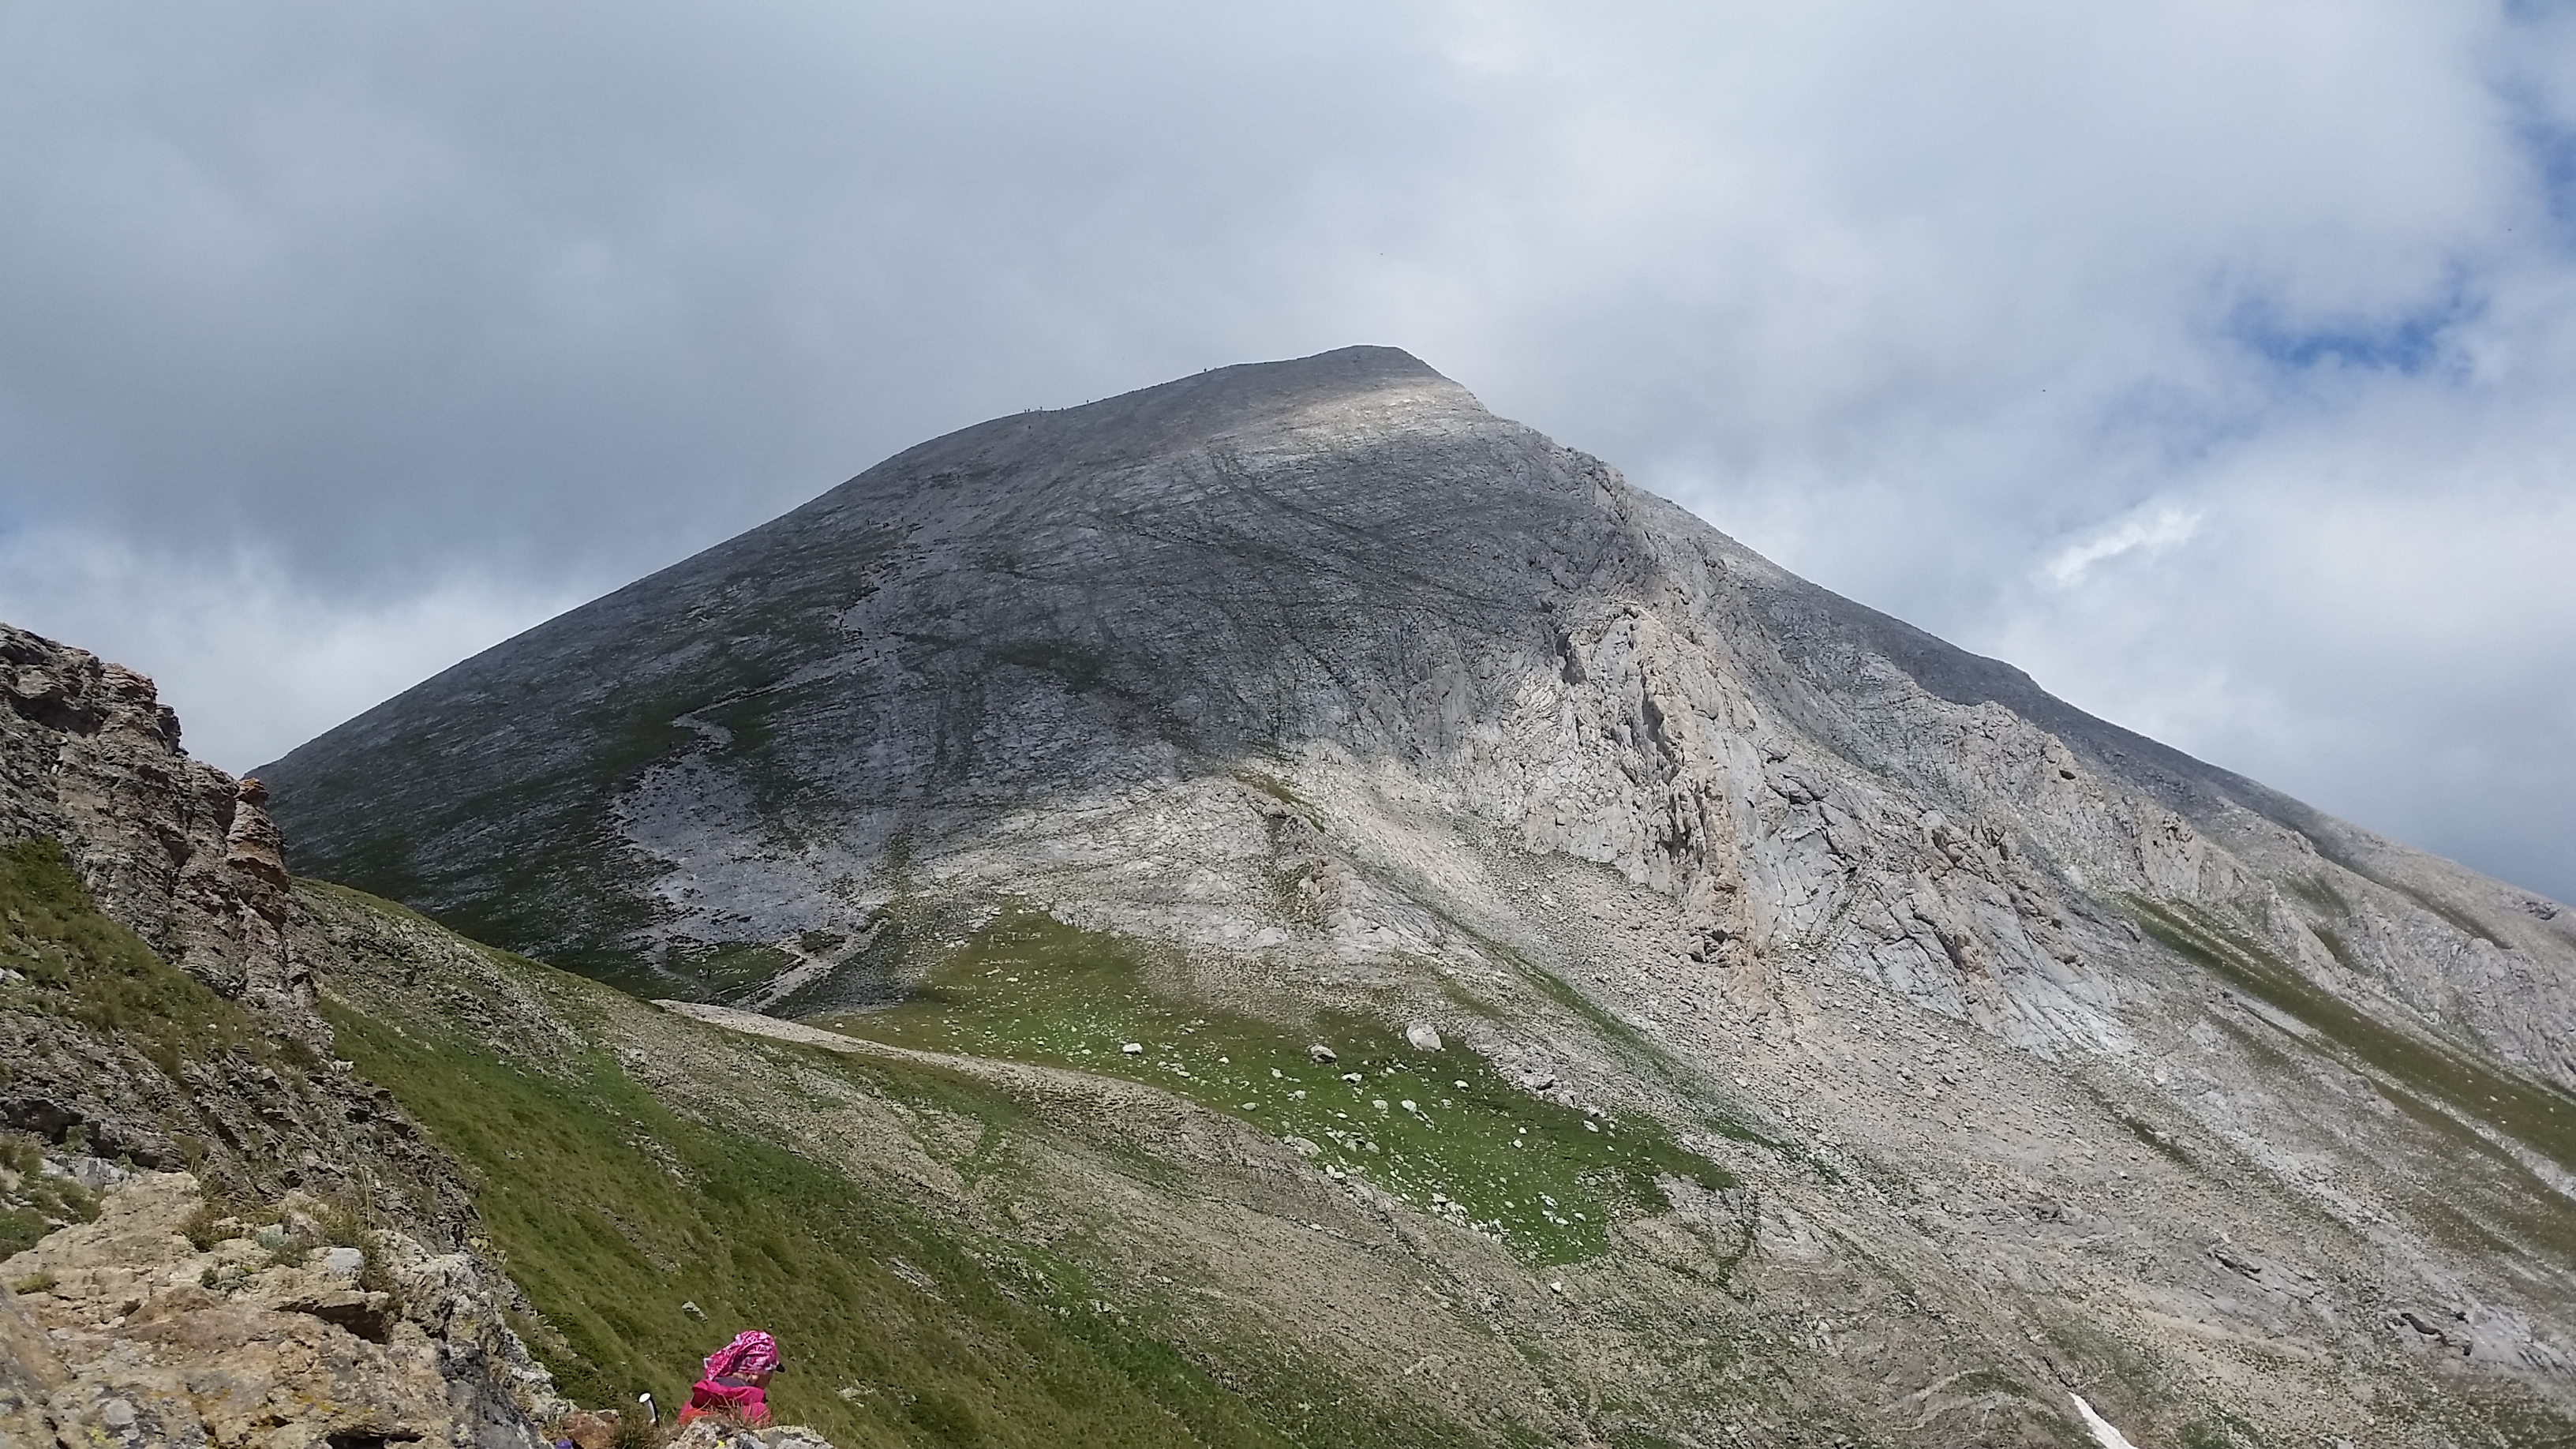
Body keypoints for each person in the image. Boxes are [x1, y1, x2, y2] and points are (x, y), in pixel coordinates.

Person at [678, 1330, 782, 1427]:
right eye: (770, 1370)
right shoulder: (758, 1412)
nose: (770, 1377)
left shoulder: (693, 1402)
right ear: (755, 1372)